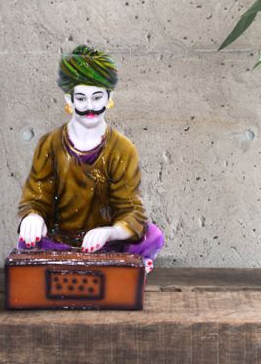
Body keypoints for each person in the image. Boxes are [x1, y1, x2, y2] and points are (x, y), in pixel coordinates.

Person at [17, 45, 165, 272]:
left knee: (151, 235)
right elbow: (37, 196)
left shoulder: (123, 148)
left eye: (97, 98)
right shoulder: (50, 143)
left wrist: (109, 232)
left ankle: (127, 266)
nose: (90, 107)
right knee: (28, 240)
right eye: (81, 98)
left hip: (106, 243)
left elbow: (131, 210)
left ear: (109, 98)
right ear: (69, 100)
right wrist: (33, 217)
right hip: (58, 240)